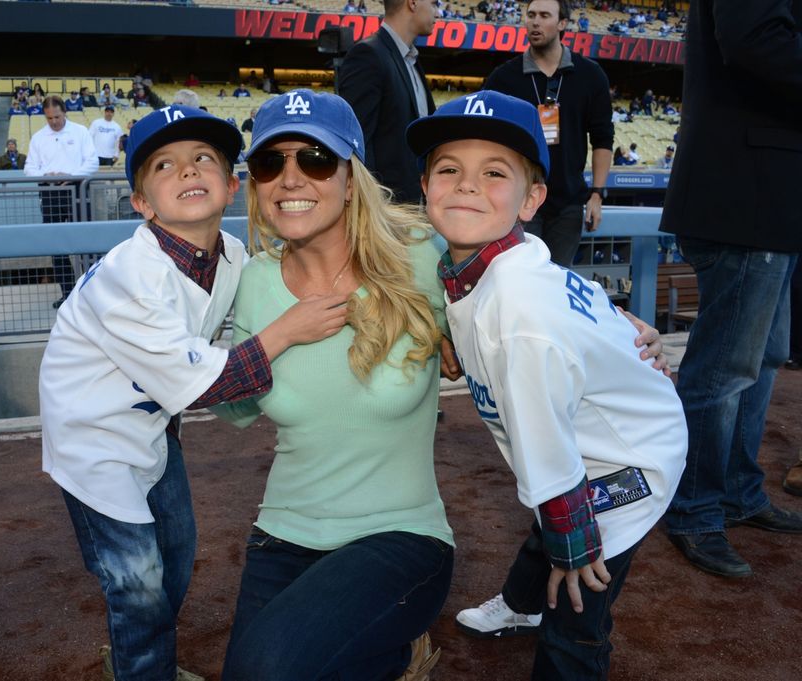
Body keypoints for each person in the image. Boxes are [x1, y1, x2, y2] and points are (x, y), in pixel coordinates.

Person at [40, 104, 347, 681]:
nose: (188, 171)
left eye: (203, 158)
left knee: (176, 559)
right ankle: (142, 667)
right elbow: (207, 384)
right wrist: (288, 331)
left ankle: (142, 653)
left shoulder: (230, 254)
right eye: (164, 165)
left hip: (151, 428)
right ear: (141, 203)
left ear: (231, 185)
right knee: (136, 581)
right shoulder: (131, 274)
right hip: (93, 444)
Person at [408, 89, 686, 679]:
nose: (465, 185)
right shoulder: (508, 254)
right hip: (610, 424)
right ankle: (520, 603)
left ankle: (559, 628)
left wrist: (574, 545)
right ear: (426, 186)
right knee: (545, 519)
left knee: (577, 606)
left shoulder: (520, 316)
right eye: (449, 169)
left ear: (532, 197)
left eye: (493, 173)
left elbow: (553, 461)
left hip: (627, 458)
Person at [217, 89, 453, 681]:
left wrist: (622, 329)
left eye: (316, 159)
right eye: (271, 163)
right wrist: (278, 336)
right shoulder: (253, 281)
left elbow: (520, 298)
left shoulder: (420, 258)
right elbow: (237, 412)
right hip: (282, 531)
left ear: (351, 178)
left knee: (266, 669)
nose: (291, 178)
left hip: (401, 534)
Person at [661, 0, 802, 579]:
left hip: (768, 194)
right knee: (724, 369)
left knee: (762, 359)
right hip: (746, 190)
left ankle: (740, 491)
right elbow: (754, 40)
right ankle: (694, 508)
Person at [483, 0, 614, 266]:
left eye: (544, 15)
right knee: (520, 279)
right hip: (518, 199)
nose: (535, 21)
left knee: (556, 282)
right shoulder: (503, 78)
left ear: (562, 24)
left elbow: (602, 138)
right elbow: (487, 139)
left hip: (567, 203)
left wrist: (597, 194)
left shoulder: (590, 75)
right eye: (531, 15)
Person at [338, 0, 437, 204]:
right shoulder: (368, 55)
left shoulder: (412, 61)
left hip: (415, 205)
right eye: (434, 3)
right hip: (386, 212)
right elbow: (357, 144)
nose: (438, 13)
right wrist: (373, 208)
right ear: (413, 3)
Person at [23, 95, 98, 308]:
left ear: (64, 112)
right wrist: (46, 176)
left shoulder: (81, 132)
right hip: (50, 193)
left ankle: (90, 293)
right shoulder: (38, 137)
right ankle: (68, 293)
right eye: (49, 118)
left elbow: (92, 162)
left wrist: (71, 174)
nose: (54, 122)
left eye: (57, 116)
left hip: (77, 189)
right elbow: (29, 167)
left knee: (85, 241)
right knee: (56, 244)